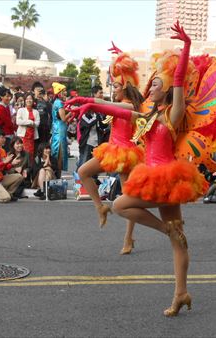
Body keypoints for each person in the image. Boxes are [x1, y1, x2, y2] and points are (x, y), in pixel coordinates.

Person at [68, 22, 208, 316]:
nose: (150, 87)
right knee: (178, 238)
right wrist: (89, 103)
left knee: (120, 204)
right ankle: (181, 293)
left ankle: (163, 231)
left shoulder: (173, 113)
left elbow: (180, 79)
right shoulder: (146, 113)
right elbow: (119, 109)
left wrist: (186, 48)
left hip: (167, 178)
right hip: (154, 176)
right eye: (151, 83)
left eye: (156, 84)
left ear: (167, 89)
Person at [65, 44, 145, 255]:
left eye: (116, 87)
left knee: (128, 199)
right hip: (112, 149)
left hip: (126, 153)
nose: (113, 89)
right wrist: (85, 101)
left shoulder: (130, 107)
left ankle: (128, 238)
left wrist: (90, 103)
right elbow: (104, 102)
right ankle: (100, 207)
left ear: (125, 88)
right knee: (83, 172)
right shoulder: (119, 103)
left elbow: (107, 106)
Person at [75, 86, 109, 168]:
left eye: (102, 93)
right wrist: (97, 114)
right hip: (87, 141)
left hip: (98, 141)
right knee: (83, 164)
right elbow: (85, 122)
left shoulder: (101, 108)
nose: (102, 95)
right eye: (100, 93)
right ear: (94, 94)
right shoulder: (88, 107)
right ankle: (78, 180)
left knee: (95, 166)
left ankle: (94, 180)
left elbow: (104, 125)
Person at [50, 83, 72, 172]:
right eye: (64, 91)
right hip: (59, 130)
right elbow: (63, 118)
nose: (65, 93)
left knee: (59, 152)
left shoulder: (56, 102)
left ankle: (57, 174)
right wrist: (71, 112)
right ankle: (57, 174)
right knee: (60, 153)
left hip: (58, 129)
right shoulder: (59, 103)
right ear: (59, 93)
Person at [16, 92, 40, 160]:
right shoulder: (21, 110)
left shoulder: (36, 112)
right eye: (27, 99)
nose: (29, 100)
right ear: (24, 100)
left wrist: (30, 123)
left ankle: (29, 169)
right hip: (22, 136)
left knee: (30, 154)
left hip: (31, 137)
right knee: (22, 153)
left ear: (33, 101)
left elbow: (37, 124)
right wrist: (30, 122)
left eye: (30, 99)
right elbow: (18, 121)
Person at [0, 87, 15, 152]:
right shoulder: (0, 108)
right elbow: (8, 122)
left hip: (9, 132)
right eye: (7, 96)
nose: (9, 98)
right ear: (1, 97)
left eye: (10, 96)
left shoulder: (7, 106)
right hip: (5, 134)